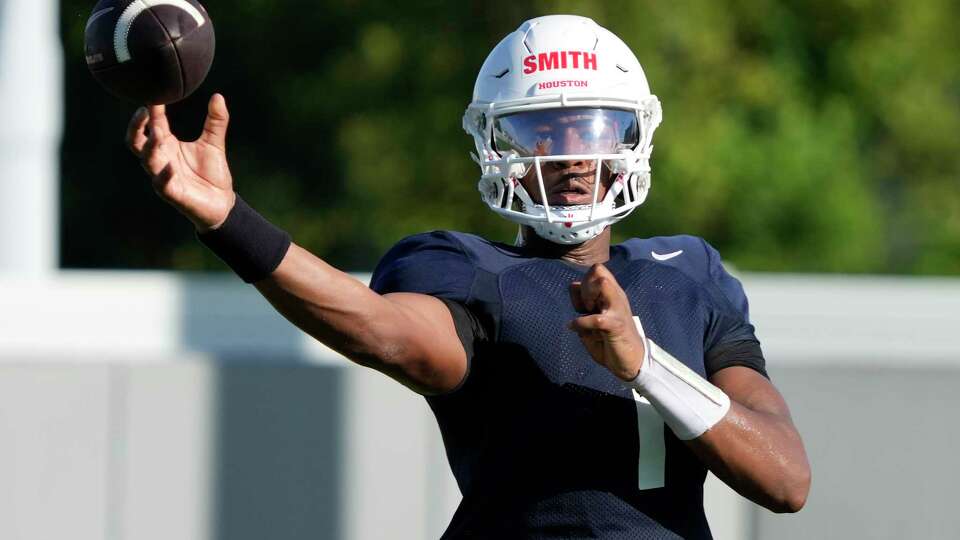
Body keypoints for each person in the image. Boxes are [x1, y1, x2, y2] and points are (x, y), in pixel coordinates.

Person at [126, 14, 810, 539]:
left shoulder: (688, 273)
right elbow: (379, 329)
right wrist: (229, 221)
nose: (570, 157)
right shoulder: (471, 273)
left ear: (627, 138)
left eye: (588, 128)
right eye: (542, 131)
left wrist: (646, 366)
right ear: (497, 143)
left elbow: (785, 478)